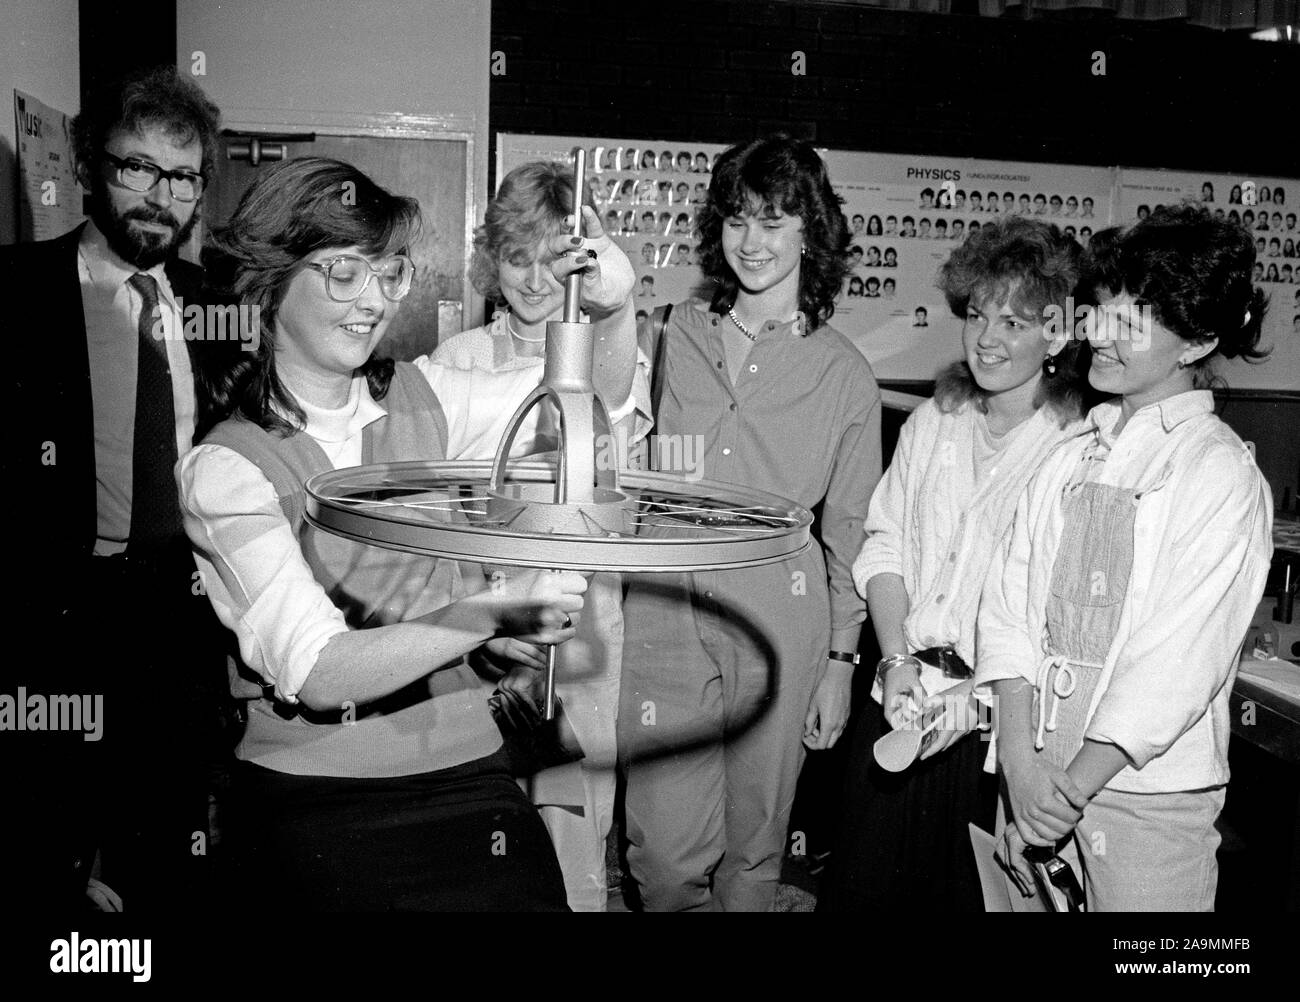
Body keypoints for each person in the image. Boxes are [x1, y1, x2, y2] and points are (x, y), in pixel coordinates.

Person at [182, 157, 589, 911]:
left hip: (465, 767)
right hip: (316, 791)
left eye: (389, 272)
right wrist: (491, 612)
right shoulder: (225, 467)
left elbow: (579, 410)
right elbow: (318, 670)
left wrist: (615, 304)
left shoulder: (423, 396)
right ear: (270, 282)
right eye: (344, 273)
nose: (373, 300)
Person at [978, 204, 1273, 911]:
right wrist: (1023, 772)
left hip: (1140, 800)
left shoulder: (1219, 474)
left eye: (1135, 318)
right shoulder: (1072, 452)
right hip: (1032, 779)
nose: (1101, 332)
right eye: (1105, 307)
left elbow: (1173, 668)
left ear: (1198, 341)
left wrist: (1065, 793)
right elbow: (1009, 610)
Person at [619, 134, 881, 911]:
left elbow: (852, 532)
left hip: (782, 618)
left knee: (755, 850)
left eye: (774, 221)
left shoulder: (844, 375)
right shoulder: (663, 334)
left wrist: (841, 660)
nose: (752, 242)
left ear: (812, 232)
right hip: (665, 609)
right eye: (736, 220)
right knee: (661, 861)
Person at [1, 64, 226, 914]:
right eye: (137, 167)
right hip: (50, 616)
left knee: (162, 840)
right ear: (93, 166)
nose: (158, 195)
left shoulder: (212, 304)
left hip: (177, 613)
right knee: (43, 844)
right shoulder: (17, 291)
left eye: (181, 176)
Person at [819, 216, 1091, 912]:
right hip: (901, 704)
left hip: (992, 734)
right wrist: (895, 660)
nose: (987, 339)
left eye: (1014, 322)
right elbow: (884, 546)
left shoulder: (1078, 447)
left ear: (1057, 334)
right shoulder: (933, 422)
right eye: (976, 315)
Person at [422, 160, 649, 910]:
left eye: (552, 260)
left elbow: (608, 404)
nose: (531, 280)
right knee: (475, 838)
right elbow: (433, 519)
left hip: (579, 636)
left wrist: (613, 310)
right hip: (478, 631)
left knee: (572, 841)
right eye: (516, 258)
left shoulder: (607, 360)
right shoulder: (456, 362)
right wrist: (480, 617)